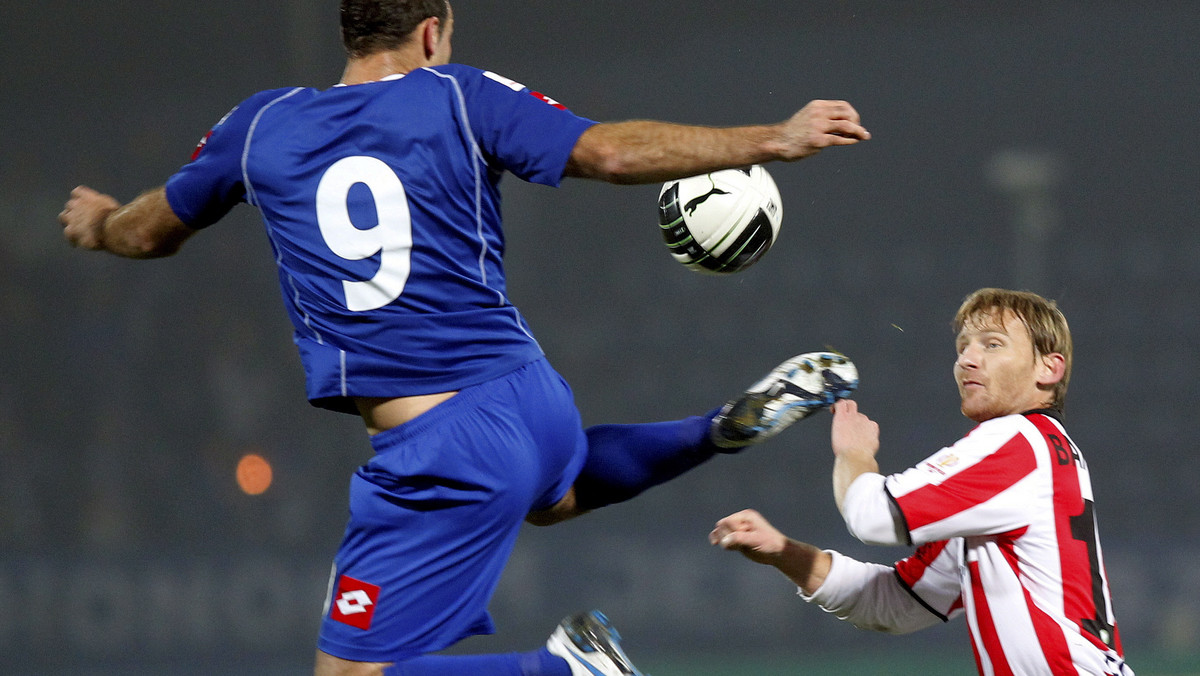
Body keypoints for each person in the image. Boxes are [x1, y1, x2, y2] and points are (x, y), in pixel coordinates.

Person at [58, 1, 870, 675]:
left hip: (439, 442)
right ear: (431, 32)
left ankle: (564, 669)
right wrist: (773, 136)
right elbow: (609, 151)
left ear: (353, 33)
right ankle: (716, 430)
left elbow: (147, 233)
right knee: (553, 494)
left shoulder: (259, 124)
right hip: (530, 398)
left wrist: (97, 224)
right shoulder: (458, 93)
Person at [711, 288, 1134, 676]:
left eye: (992, 344)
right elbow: (898, 604)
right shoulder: (1033, 459)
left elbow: (872, 517)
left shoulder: (1017, 440)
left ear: (1049, 367)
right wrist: (785, 553)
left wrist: (854, 454)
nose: (967, 359)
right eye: (963, 346)